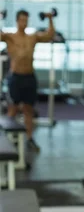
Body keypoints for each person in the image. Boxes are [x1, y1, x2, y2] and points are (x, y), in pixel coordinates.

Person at [0, 9, 55, 152]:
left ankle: (29, 139)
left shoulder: (32, 37)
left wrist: (50, 18)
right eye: (21, 20)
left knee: (28, 110)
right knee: (12, 110)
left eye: (26, 20)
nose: (24, 23)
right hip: (16, 78)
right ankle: (6, 139)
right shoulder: (9, 37)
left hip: (29, 78)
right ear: (17, 21)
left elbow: (49, 36)